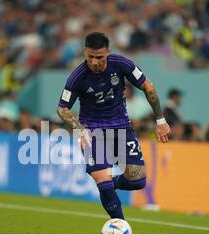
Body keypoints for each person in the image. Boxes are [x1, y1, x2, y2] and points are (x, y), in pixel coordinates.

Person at [57, 32, 170, 221]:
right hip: (92, 133)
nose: (94, 62)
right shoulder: (77, 77)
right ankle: (120, 225)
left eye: (99, 57)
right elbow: (63, 109)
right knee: (102, 179)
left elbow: (148, 88)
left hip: (122, 129)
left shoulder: (122, 64)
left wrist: (160, 121)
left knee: (137, 181)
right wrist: (80, 128)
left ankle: (112, 184)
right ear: (85, 52)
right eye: (90, 57)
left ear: (108, 52)